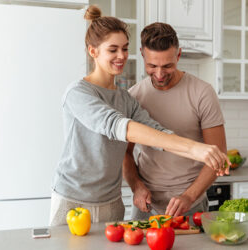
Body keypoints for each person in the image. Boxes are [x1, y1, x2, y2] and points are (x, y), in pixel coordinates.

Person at [49, 6, 229, 226]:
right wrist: (195, 149)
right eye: (113, 50)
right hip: (73, 199)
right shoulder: (78, 93)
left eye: (124, 49)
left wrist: (203, 153)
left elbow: (158, 133)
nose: (121, 56)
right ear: (93, 51)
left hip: (111, 200)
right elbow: (117, 126)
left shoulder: (126, 99)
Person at [123, 22, 228, 219]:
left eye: (167, 66)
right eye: (152, 66)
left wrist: (188, 196)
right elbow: (125, 154)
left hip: (191, 204)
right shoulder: (134, 96)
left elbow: (219, 153)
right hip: (146, 205)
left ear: (178, 55)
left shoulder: (202, 93)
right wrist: (137, 187)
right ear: (142, 55)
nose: (160, 74)